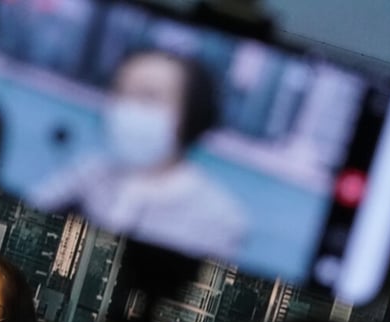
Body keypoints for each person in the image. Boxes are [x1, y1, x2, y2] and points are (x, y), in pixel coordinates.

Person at [30, 48, 248, 259]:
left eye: (148, 96)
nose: (127, 107)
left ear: (191, 113)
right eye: (121, 92)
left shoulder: (219, 218)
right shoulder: (88, 172)